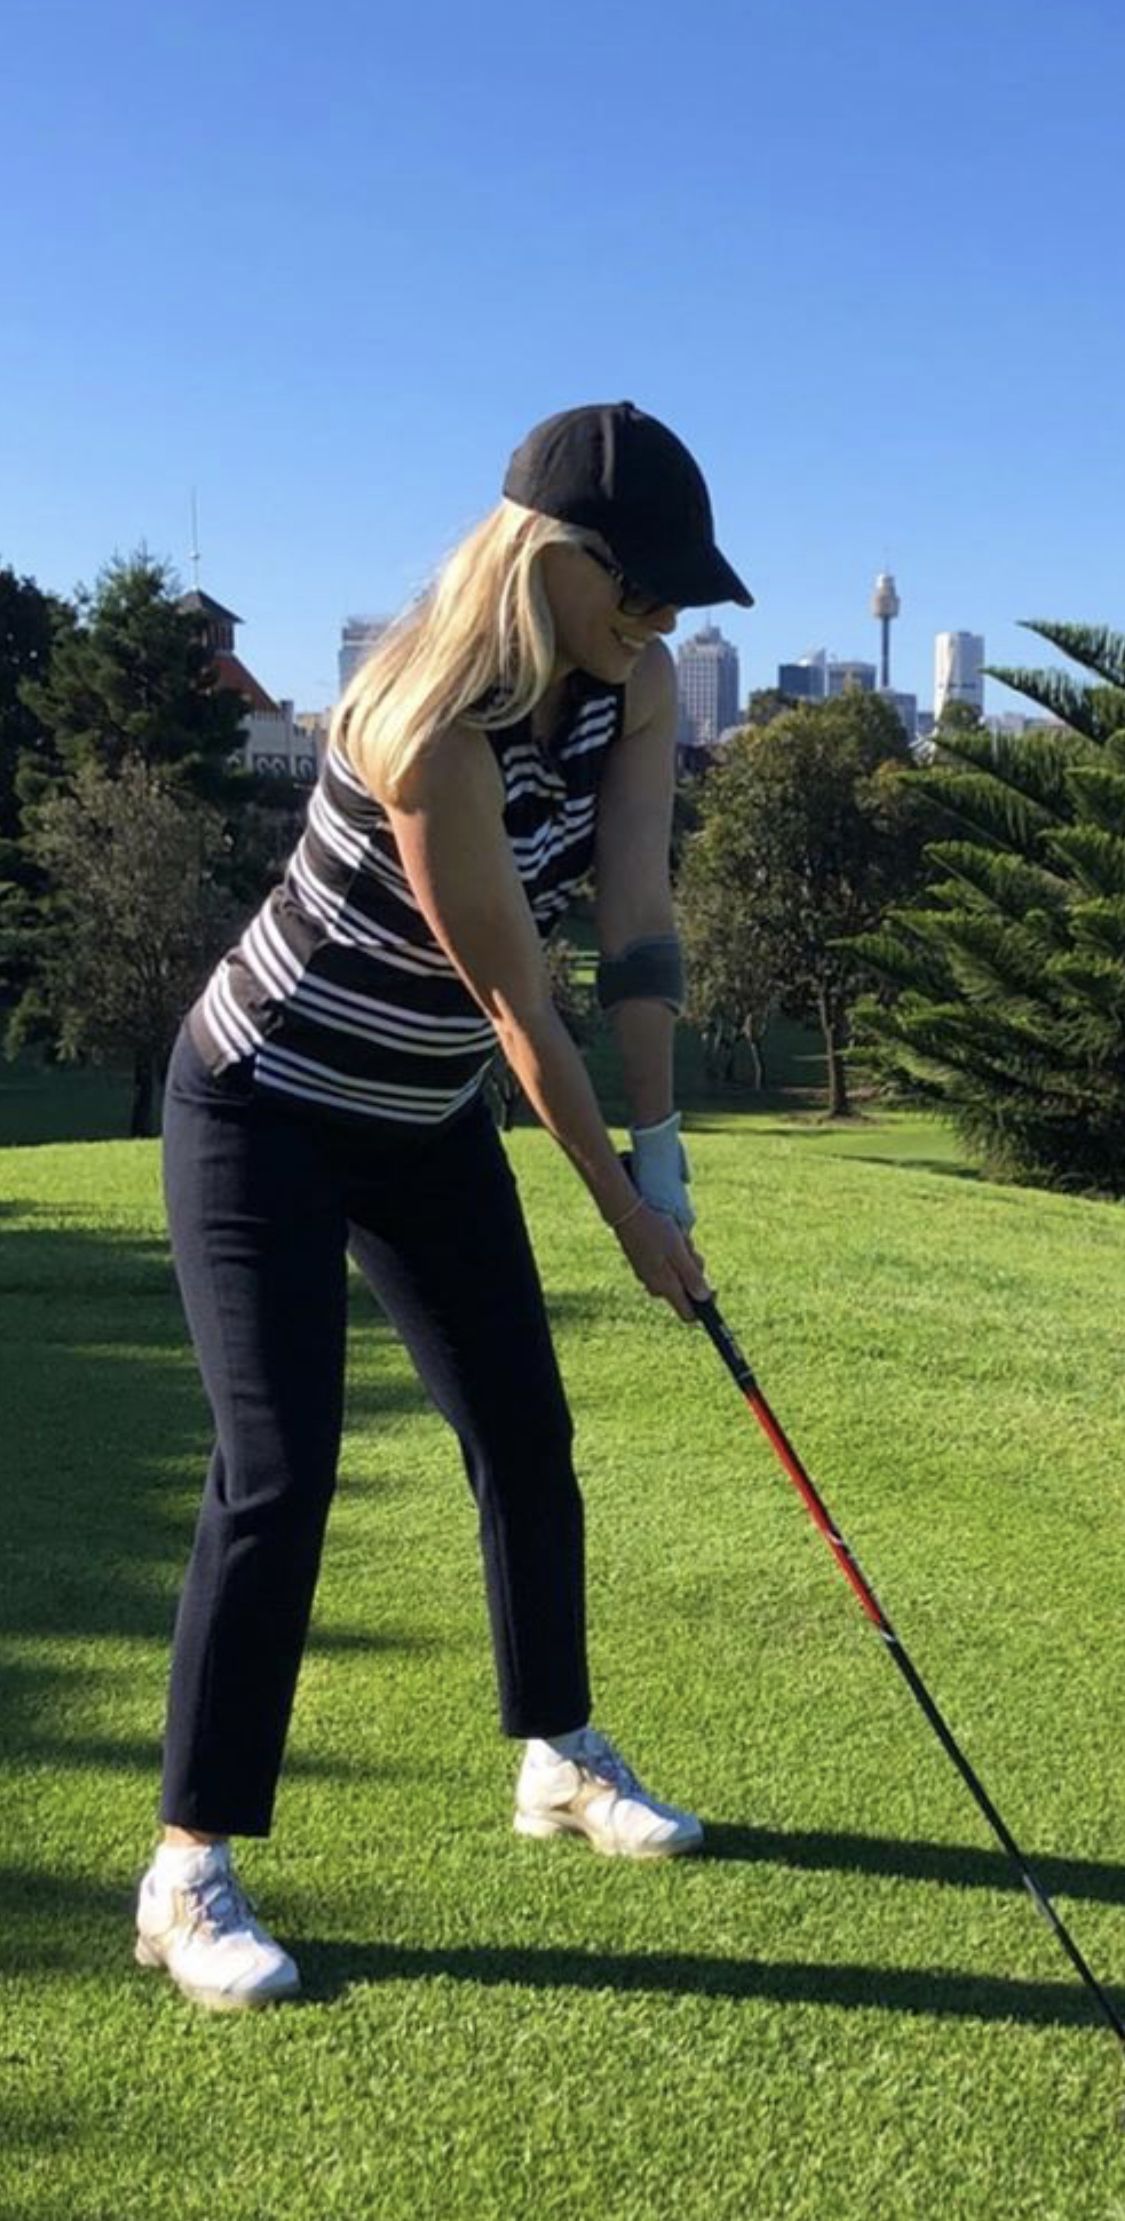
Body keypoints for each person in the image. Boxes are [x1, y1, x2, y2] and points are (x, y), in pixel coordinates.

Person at [134, 400, 754, 2011]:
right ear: (548, 558)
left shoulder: (632, 686)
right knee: (276, 1471)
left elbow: (633, 919)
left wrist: (665, 1144)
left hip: (417, 1119)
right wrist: (628, 1222)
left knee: (523, 1431)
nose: (660, 617)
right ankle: (186, 1869)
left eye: (677, 597)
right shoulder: (420, 723)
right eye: (640, 585)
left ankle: (555, 1751)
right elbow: (518, 1007)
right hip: (263, 1103)